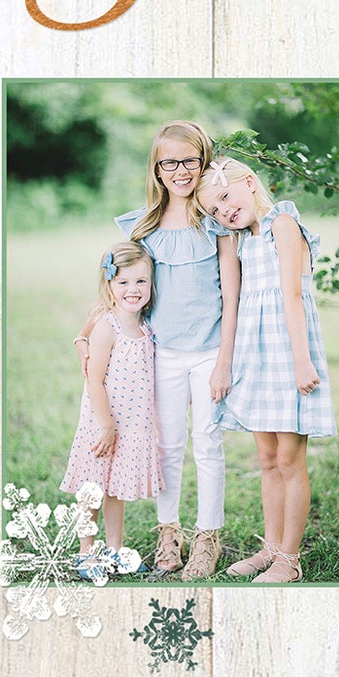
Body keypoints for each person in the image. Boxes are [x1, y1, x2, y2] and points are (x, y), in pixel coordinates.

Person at [78, 119, 240, 578]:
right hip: (161, 353)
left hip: (210, 351)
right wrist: (84, 331)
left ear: (203, 162)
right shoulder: (143, 227)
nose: (181, 170)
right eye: (170, 162)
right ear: (157, 168)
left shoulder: (216, 223)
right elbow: (117, 286)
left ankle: (208, 537)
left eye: (190, 160)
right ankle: (169, 534)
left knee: (208, 444)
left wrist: (224, 359)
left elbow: (232, 295)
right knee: (167, 446)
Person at [200, 158, 335, 584]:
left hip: (289, 351)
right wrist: (228, 363)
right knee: (267, 458)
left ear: (250, 182)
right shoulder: (242, 239)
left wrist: (302, 360)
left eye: (225, 198)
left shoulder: (283, 223)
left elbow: (292, 295)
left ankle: (288, 560)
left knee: (290, 459)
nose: (225, 212)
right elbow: (235, 303)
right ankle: (270, 549)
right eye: (216, 211)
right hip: (255, 355)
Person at [60, 242, 161, 579]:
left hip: (131, 426)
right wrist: (105, 425)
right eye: (123, 282)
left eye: (141, 282)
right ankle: (86, 552)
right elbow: (94, 380)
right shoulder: (108, 327)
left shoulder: (146, 325)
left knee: (115, 490)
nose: (133, 290)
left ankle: (115, 550)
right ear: (109, 285)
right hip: (103, 424)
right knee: (92, 489)